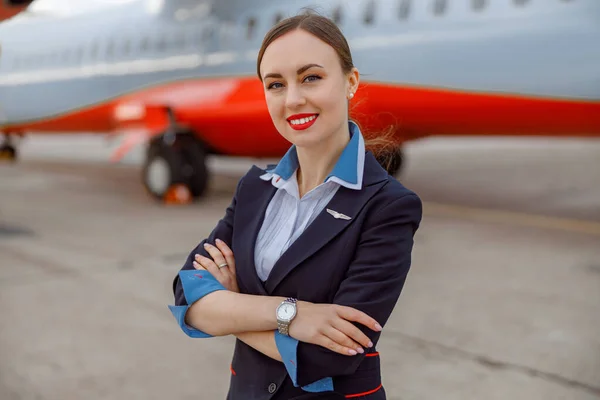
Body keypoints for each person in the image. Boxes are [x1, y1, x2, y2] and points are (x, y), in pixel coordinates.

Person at [168, 11, 422, 400]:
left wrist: (230, 309)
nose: (293, 99)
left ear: (350, 82)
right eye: (275, 84)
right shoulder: (254, 187)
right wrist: (292, 314)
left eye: (311, 78)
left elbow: (330, 357)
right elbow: (187, 298)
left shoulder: (389, 206)